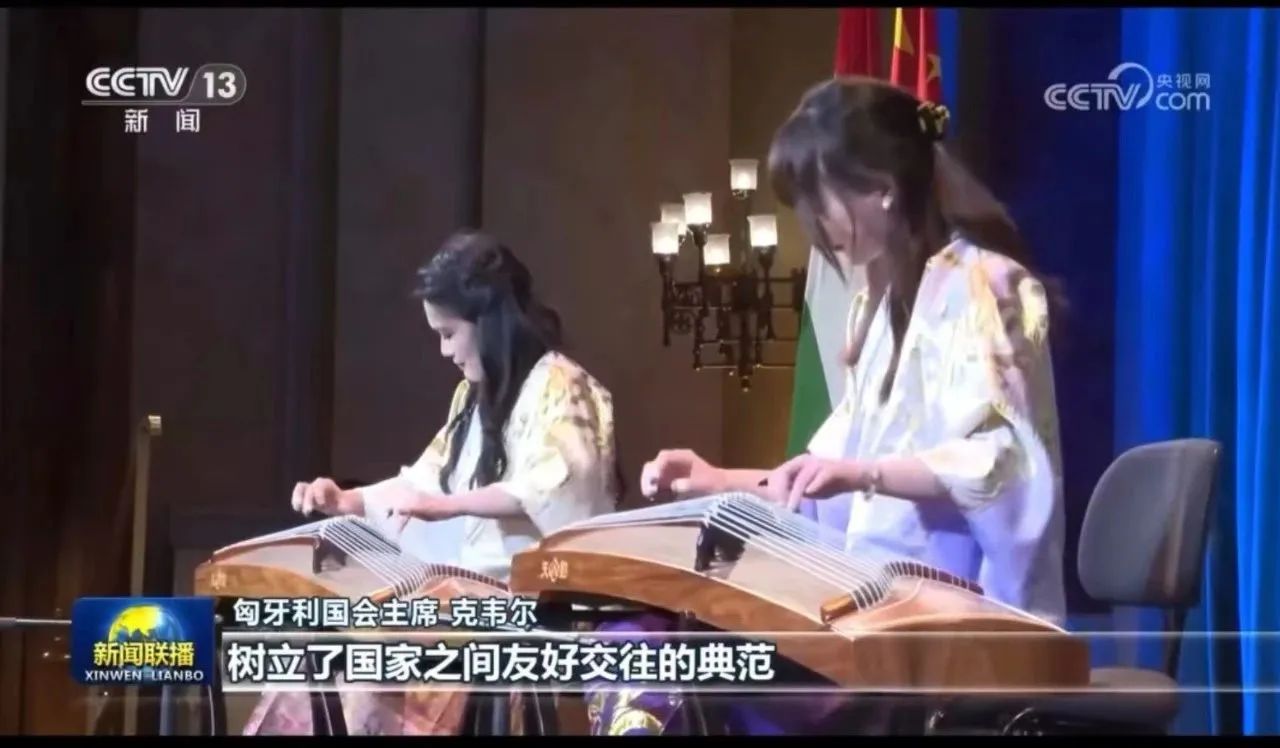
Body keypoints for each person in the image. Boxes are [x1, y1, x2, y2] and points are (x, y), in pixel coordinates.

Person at [587, 75, 1067, 735]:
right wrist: (714, 480)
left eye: (818, 198)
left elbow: (1002, 461)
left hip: (949, 614)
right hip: (868, 601)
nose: (811, 223)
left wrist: (864, 472)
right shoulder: (885, 307)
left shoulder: (989, 286)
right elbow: (824, 478)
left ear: (882, 188)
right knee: (639, 631)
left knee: (708, 658)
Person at [244, 229, 622, 735]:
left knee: (376, 655)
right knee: (314, 650)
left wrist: (453, 505)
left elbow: (560, 487)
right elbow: (424, 482)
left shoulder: (561, 384)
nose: (444, 351)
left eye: (448, 333)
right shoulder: (471, 398)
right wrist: (347, 499)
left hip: (517, 607)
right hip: (454, 599)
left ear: (487, 322)